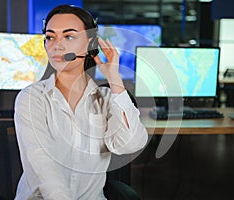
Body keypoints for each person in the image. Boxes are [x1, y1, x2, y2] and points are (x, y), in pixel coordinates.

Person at [14, 4, 148, 200]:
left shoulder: (106, 99)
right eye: (50, 37)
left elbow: (130, 144)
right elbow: (44, 167)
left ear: (90, 44)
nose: (56, 45)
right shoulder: (32, 98)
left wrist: (114, 79)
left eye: (69, 36)